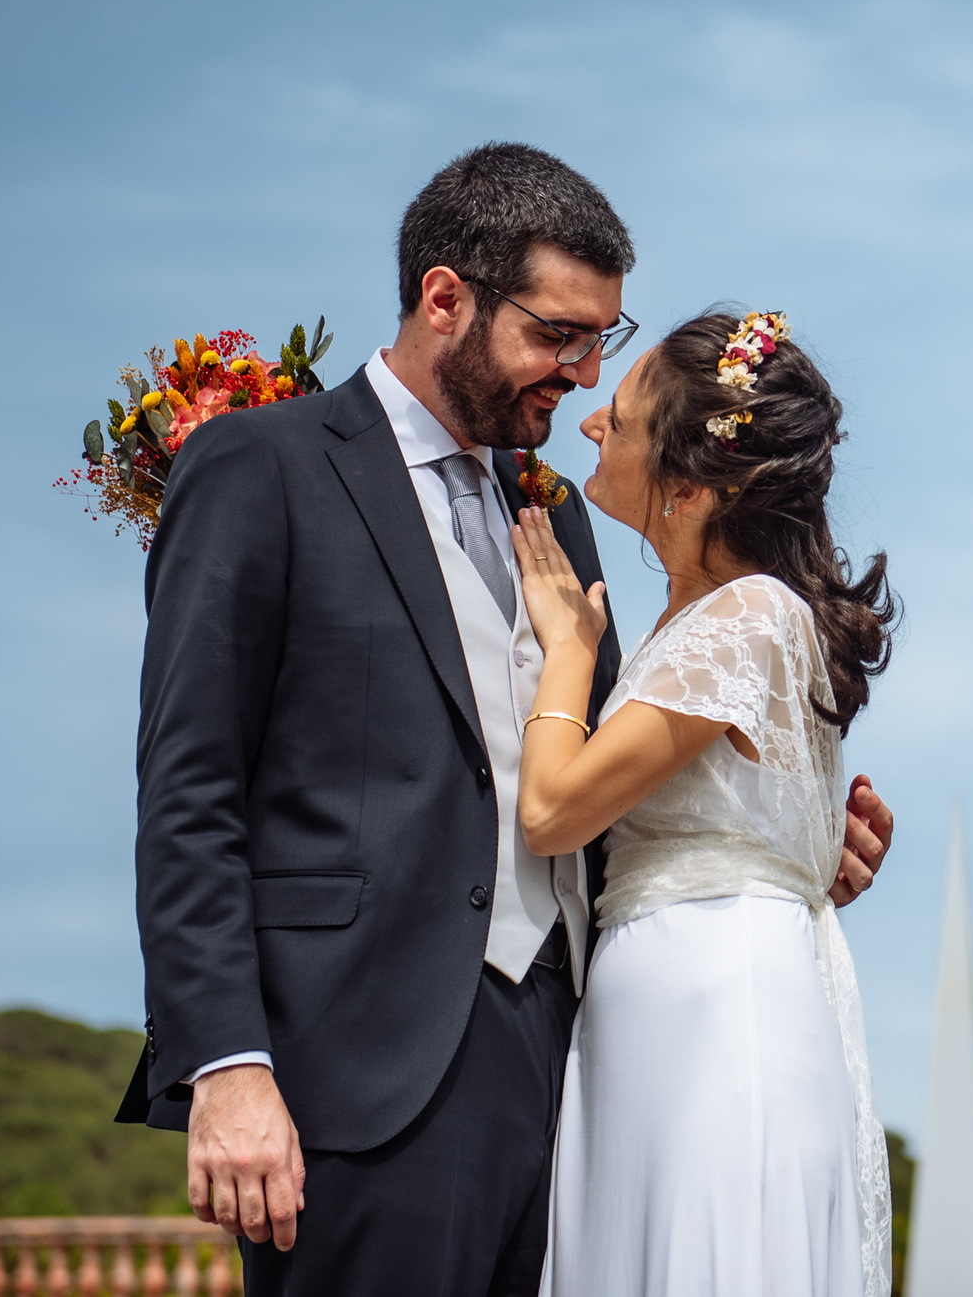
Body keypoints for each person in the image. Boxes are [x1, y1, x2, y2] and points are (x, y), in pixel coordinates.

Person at [119, 145, 897, 1295]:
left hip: (582, 1070)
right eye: (558, 334)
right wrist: (228, 1065)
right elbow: (189, 791)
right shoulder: (261, 467)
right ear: (446, 299)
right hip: (359, 1070)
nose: (582, 375)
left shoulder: (563, 520)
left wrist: (776, 834)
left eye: (601, 343)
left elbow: (613, 773)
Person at [508, 307, 899, 1297]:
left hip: (714, 1014)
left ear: (688, 487)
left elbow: (554, 808)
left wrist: (567, 650)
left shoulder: (748, 613)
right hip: (672, 1003)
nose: (593, 422)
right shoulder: (721, 617)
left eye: (625, 419)